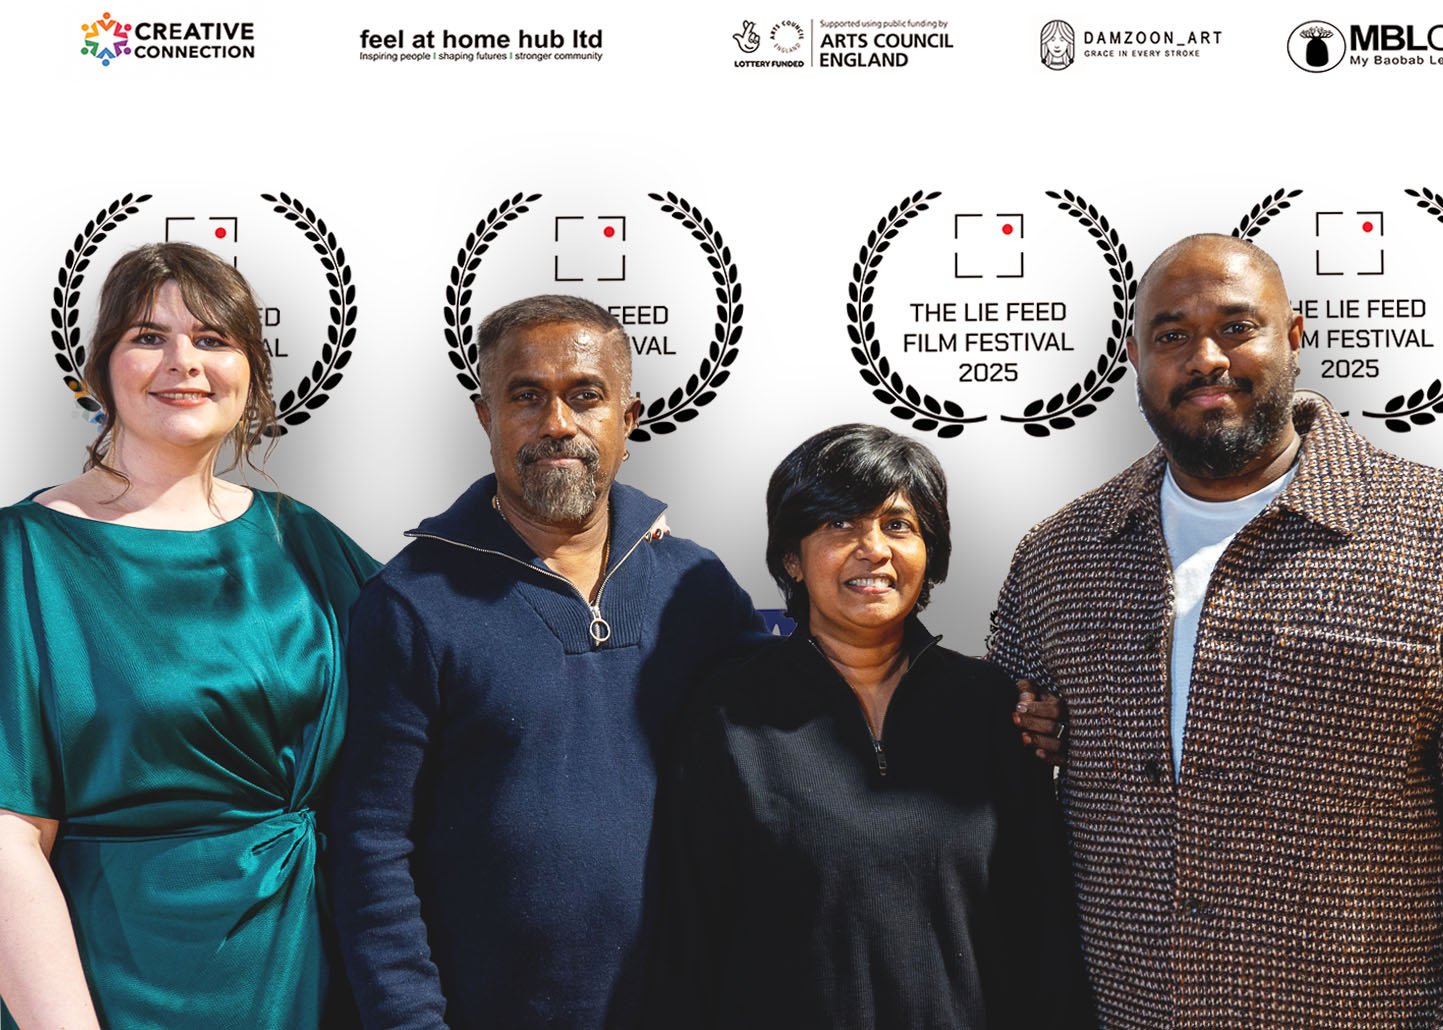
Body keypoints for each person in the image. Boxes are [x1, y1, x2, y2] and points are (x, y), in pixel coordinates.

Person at [990, 233, 1443, 1027]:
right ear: (1134, 356)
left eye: (1236, 327)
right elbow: (1000, 760)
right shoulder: (1061, 557)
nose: (1204, 357)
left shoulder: (1426, 534)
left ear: (1293, 337)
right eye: (1171, 335)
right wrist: (1028, 728)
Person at [328, 295, 762, 1029]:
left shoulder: (697, 587)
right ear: (485, 417)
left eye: (584, 396)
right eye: (525, 396)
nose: (556, 423)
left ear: (628, 417)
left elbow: (792, 761)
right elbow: (371, 845)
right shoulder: (409, 604)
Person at [0, 243, 377, 1028]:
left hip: (317, 969)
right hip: (121, 983)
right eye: (148, 337)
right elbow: (6, 841)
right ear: (100, 367)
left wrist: (603, 541)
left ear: (251, 375)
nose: (184, 362)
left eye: (213, 340)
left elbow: (468, 634)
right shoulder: (24, 556)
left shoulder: (303, 542)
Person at [651, 423, 1088, 1029]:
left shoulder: (994, 708)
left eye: (898, 524)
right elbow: (689, 943)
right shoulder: (728, 716)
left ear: (928, 552)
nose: (874, 548)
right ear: (790, 560)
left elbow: (1043, 931)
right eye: (839, 524)